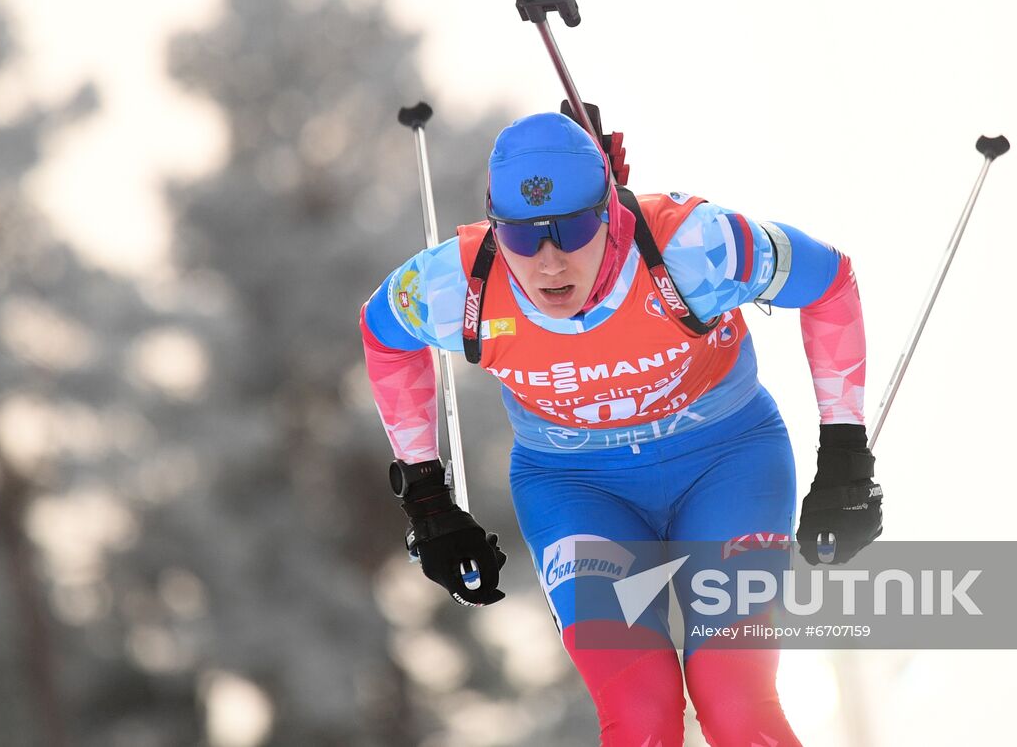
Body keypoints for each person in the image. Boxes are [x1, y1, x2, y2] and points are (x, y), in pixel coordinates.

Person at [360, 112, 882, 746]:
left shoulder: (694, 248)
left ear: (609, 210)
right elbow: (384, 336)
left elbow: (828, 280)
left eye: (572, 228)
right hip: (576, 489)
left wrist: (846, 456)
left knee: (734, 701)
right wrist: (426, 499)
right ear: (495, 227)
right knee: (640, 717)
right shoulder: (455, 285)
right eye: (523, 237)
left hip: (725, 464)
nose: (548, 261)